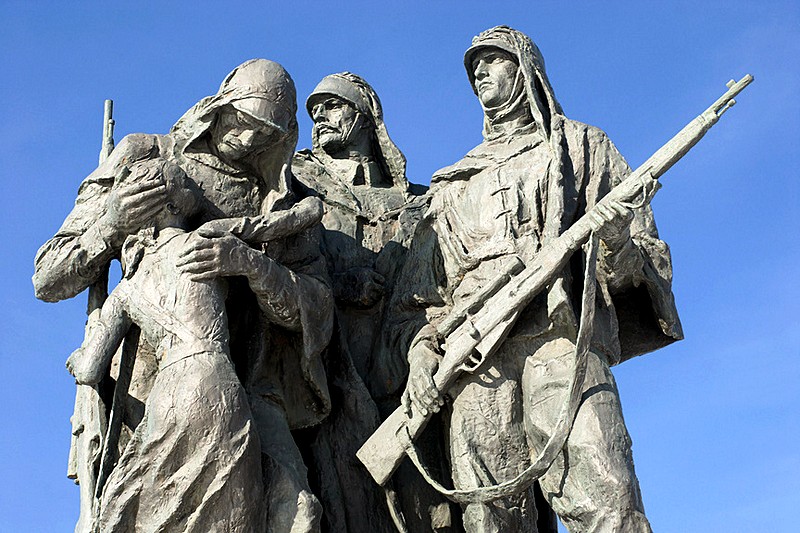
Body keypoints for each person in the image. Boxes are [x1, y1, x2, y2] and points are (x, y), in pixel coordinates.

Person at [398, 26, 683, 533]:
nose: (479, 72)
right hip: (475, 361)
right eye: (473, 66)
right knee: (489, 516)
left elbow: (642, 262)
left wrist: (615, 239)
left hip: (559, 336)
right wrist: (422, 352)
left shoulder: (581, 148)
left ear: (526, 70)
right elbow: (420, 299)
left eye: (492, 60)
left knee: (606, 493)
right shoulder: (451, 184)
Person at [34, 59, 333, 532]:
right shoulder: (143, 156)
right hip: (147, 391)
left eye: (269, 131)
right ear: (222, 104)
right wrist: (110, 224)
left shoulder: (280, 199)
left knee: (297, 513)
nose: (252, 137)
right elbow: (49, 277)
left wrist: (250, 264)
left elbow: (316, 307)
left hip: (249, 386)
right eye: (246, 118)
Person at [293, 73, 453, 532]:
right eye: (314, 110)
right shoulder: (297, 183)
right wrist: (340, 286)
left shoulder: (419, 201)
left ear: (364, 116)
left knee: (424, 505)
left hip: (405, 368)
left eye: (331, 106)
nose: (318, 117)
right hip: (325, 368)